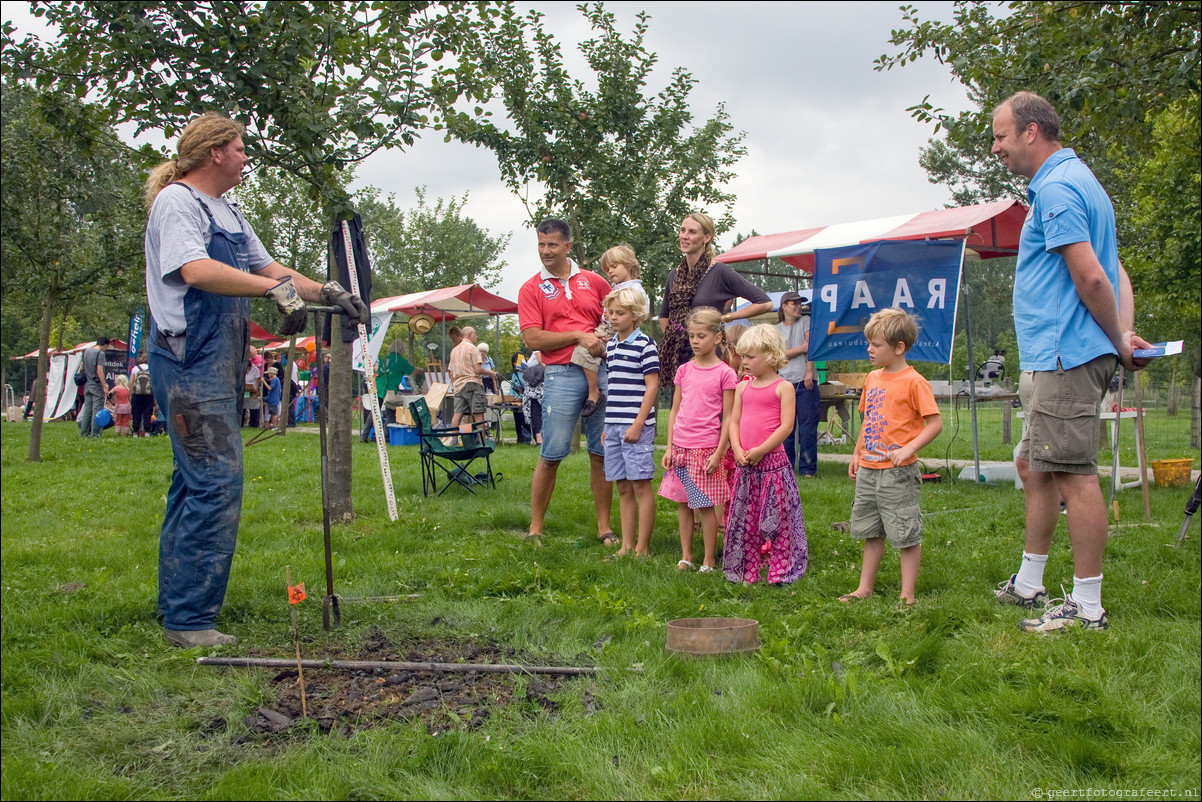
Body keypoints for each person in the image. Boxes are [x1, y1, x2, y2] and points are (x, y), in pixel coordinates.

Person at [143, 112, 369, 648]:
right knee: (216, 482)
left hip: (216, 360)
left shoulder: (227, 209)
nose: (247, 156)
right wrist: (268, 294)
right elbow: (194, 271)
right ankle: (190, 620)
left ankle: (176, 602)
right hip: (188, 359)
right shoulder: (179, 202)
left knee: (192, 482)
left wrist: (328, 292)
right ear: (215, 151)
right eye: (240, 147)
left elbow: (271, 270)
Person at [988, 91, 1150, 632]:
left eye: (1001, 136)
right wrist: (1121, 334)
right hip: (1058, 352)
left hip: (1064, 354)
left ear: (1031, 131)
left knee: (1073, 475)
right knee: (1034, 465)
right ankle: (1030, 581)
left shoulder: (1056, 188)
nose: (997, 148)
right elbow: (1115, 269)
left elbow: (1093, 277)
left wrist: (1120, 345)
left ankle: (1086, 606)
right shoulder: (1081, 180)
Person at [517, 218, 613, 545]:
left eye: (553, 245)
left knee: (601, 451)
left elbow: (616, 316)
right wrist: (577, 336)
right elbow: (532, 338)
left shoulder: (595, 282)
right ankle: (535, 528)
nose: (546, 251)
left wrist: (604, 342)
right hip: (560, 374)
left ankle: (604, 528)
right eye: (541, 245)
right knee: (552, 452)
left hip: (601, 371)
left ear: (567, 246)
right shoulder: (530, 288)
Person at [839, 308, 942, 609]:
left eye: (877, 344)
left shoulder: (915, 382)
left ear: (899, 347)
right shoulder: (872, 378)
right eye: (869, 343)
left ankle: (907, 594)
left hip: (897, 473)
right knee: (871, 531)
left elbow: (935, 423)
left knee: (905, 533)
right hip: (869, 470)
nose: (869, 349)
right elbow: (868, 421)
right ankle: (864, 589)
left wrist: (909, 449)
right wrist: (857, 453)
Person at [723, 324, 808, 585]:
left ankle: (780, 569)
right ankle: (746, 567)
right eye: (743, 356)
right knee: (745, 518)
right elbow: (734, 421)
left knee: (778, 520)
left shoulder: (784, 388)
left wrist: (761, 450)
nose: (744, 362)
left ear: (770, 356)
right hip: (746, 465)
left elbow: (786, 426)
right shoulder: (742, 387)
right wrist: (737, 448)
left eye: (750, 357)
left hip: (773, 466)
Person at [658, 212, 774, 390]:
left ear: (706, 237)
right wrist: (678, 340)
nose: (685, 236)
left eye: (692, 232)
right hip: (679, 357)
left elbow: (765, 303)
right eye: (682, 230)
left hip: (710, 355)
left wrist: (727, 317)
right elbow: (664, 317)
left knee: (709, 409)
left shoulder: (719, 272)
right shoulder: (674, 275)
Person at [659, 307, 736, 573]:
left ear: (716, 338)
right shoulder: (683, 370)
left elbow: (728, 418)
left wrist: (719, 452)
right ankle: (686, 556)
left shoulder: (725, 373)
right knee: (683, 503)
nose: (694, 341)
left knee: (704, 505)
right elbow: (675, 411)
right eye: (691, 335)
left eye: (701, 335)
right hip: (680, 448)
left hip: (705, 449)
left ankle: (709, 560)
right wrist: (669, 446)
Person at [601, 286, 660, 558]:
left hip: (636, 426)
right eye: (610, 312)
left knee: (641, 485)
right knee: (623, 486)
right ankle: (626, 545)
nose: (612, 317)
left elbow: (652, 387)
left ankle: (643, 547)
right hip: (613, 425)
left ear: (635, 315)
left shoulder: (645, 345)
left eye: (619, 313)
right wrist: (606, 426)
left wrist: (638, 423)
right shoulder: (611, 345)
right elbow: (613, 387)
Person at [570, 243, 651, 418]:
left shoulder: (634, 289)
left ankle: (594, 392)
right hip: (607, 327)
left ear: (629, 265)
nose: (610, 272)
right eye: (607, 269)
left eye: (614, 267)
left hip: (615, 329)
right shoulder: (617, 287)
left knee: (584, 350)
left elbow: (642, 312)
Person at [777, 291, 820, 478]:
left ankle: (808, 469)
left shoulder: (806, 321)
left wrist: (809, 371)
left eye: (799, 303)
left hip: (805, 382)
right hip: (784, 382)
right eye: (793, 303)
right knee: (786, 429)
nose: (798, 306)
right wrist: (800, 349)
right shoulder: (776, 329)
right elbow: (776, 356)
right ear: (784, 306)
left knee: (807, 428)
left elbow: (810, 347)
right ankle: (786, 467)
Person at [448, 326, 491, 443]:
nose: (476, 336)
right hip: (473, 383)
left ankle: (454, 439)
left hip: (458, 386)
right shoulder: (473, 348)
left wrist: (454, 385)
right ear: (470, 334)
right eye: (475, 334)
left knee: (458, 413)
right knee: (478, 413)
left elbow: (451, 372)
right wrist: (491, 373)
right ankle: (481, 440)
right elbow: (478, 370)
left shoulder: (454, 350)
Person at [78, 337, 110, 438]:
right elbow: (99, 370)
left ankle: (84, 433)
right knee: (97, 410)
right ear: (105, 345)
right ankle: (95, 434)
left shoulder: (86, 351)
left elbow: (81, 367)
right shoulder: (100, 354)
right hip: (96, 386)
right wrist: (104, 385)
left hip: (87, 385)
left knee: (87, 410)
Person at [521, 351, 545, 446]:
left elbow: (543, 364)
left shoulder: (538, 351)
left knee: (538, 413)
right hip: (532, 388)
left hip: (538, 387)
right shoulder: (533, 353)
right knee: (535, 413)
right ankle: (539, 439)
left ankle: (541, 439)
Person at [130, 352, 155, 437]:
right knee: (147, 413)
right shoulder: (151, 368)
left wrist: (130, 393)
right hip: (149, 395)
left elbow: (131, 382)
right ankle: (147, 433)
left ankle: (135, 433)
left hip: (137, 394)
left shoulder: (135, 368)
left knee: (136, 414)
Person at [508, 352, 531, 444]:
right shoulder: (515, 374)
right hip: (515, 402)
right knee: (517, 420)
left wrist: (522, 398)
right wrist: (512, 397)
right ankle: (520, 438)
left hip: (525, 401)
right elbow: (511, 387)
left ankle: (527, 438)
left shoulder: (528, 373)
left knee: (524, 420)